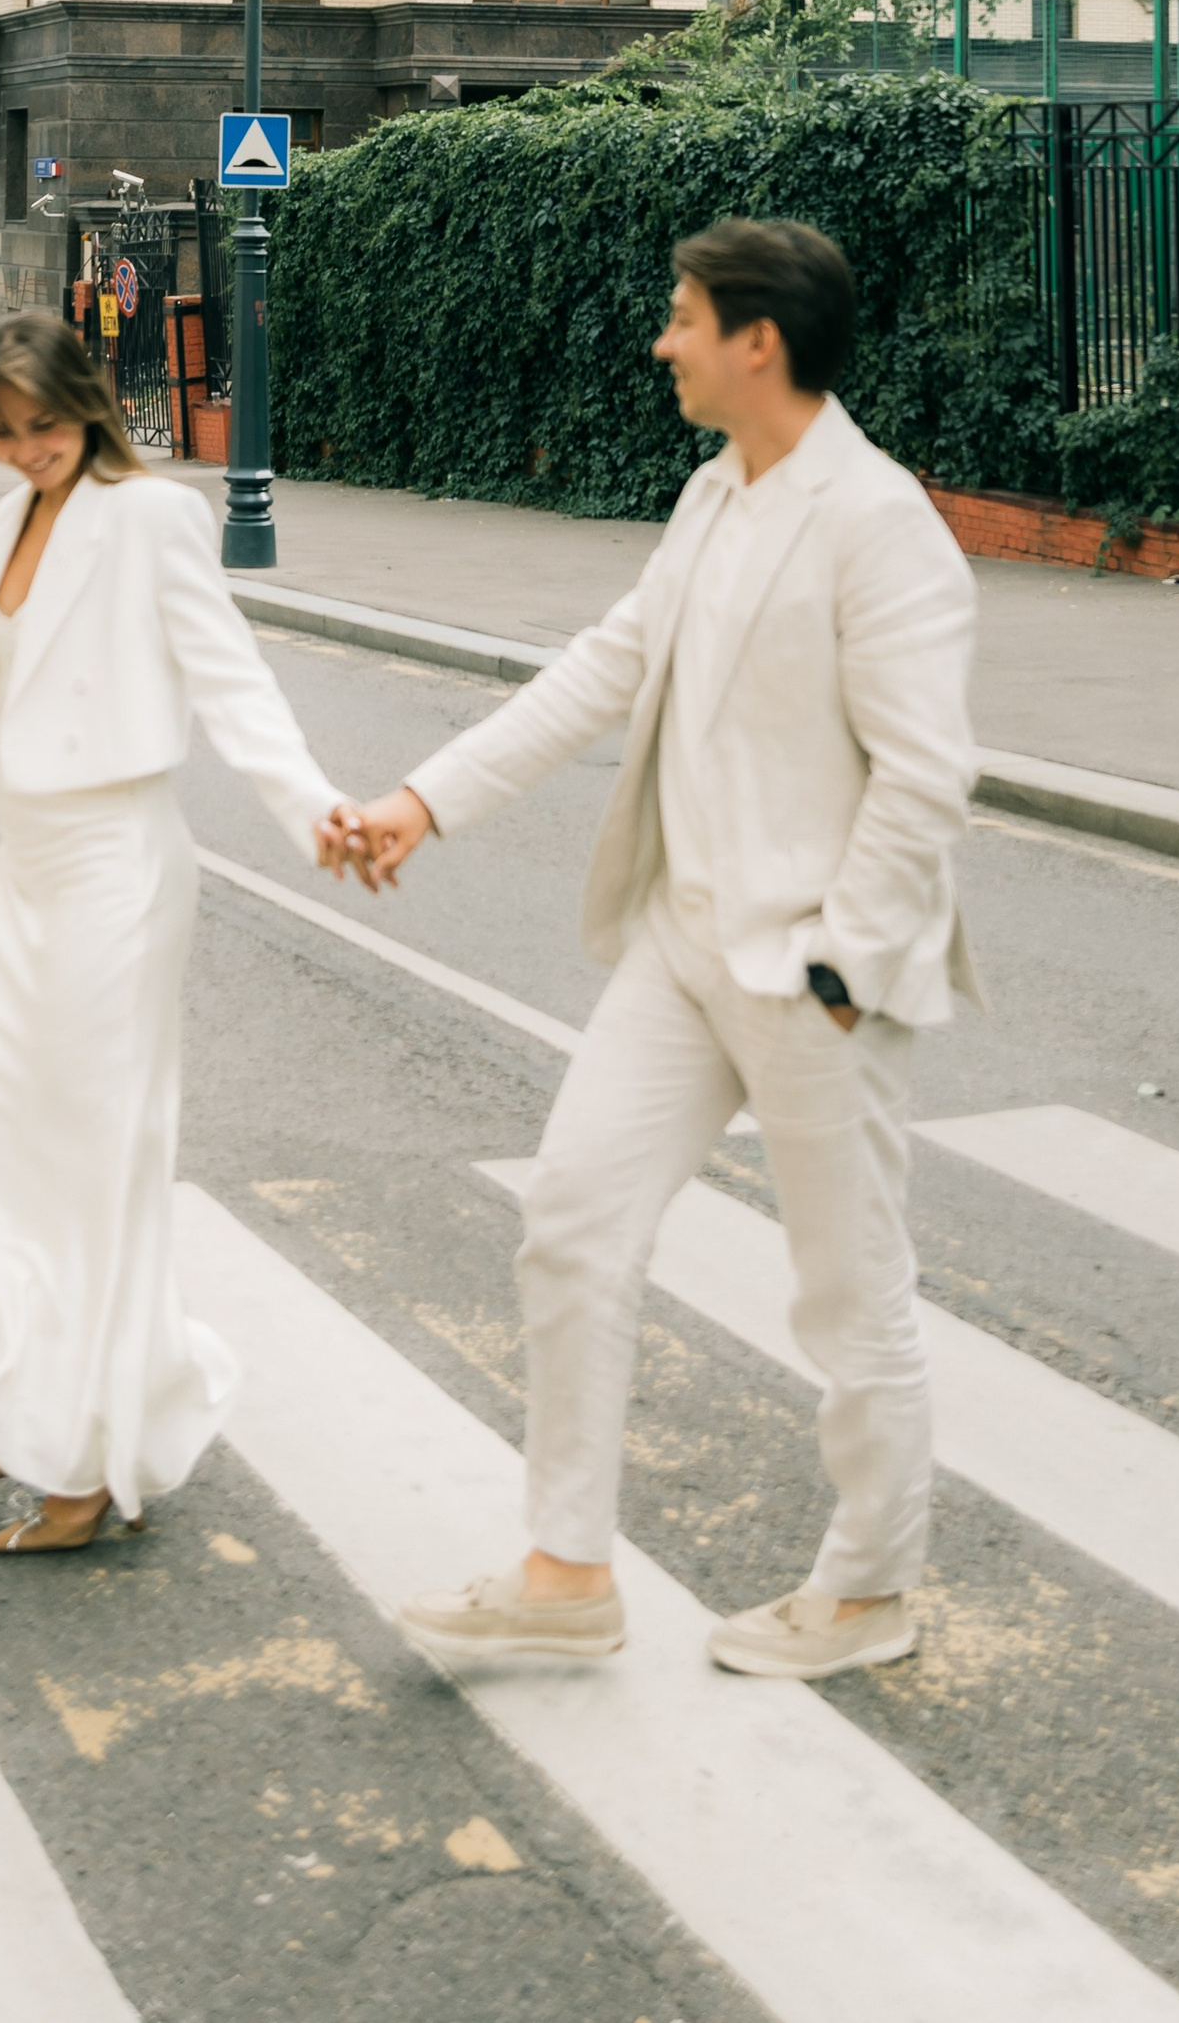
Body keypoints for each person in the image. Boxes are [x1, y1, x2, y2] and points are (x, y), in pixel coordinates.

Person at [331, 218, 979, 1684]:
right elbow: (606, 667)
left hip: (812, 979)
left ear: (760, 338)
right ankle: (566, 1569)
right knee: (571, 1219)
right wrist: (424, 801)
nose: (662, 340)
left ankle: (871, 1586)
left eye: (684, 317)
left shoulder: (878, 523)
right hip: (683, 946)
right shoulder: (715, 494)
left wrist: (839, 957)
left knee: (847, 1291)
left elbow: (928, 773)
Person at [0, 312, 363, 1552]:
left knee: (95, 1167)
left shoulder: (151, 517)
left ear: (86, 405)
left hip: (114, 871)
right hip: (23, 873)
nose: (24, 449)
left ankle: (86, 1460)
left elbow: (230, 676)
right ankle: (39, 1394)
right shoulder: (10, 518)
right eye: (1, 433)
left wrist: (314, 808)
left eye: (42, 424)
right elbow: (1, 719)